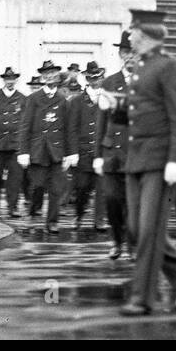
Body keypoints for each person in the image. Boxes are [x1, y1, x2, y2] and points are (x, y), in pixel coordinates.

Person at [115, 9, 176, 315]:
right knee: (138, 228)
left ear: (148, 34)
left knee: (149, 229)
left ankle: (142, 297)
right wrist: (114, 107)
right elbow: (136, 111)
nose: (131, 38)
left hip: (159, 161)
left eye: (134, 33)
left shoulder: (169, 67)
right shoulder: (142, 67)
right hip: (136, 159)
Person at [19, 60, 74, 233]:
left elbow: (68, 129)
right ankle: (34, 212)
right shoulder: (33, 99)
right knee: (37, 185)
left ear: (57, 76)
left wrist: (70, 154)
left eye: (53, 73)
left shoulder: (63, 100)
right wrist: (23, 152)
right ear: (43, 76)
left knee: (56, 188)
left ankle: (52, 221)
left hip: (57, 151)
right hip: (38, 150)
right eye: (46, 73)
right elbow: (25, 126)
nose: (50, 76)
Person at [97, 33, 136, 259]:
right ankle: (115, 239)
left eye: (134, 52)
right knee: (111, 199)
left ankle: (131, 244)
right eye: (126, 52)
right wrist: (97, 155)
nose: (130, 56)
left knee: (132, 202)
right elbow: (101, 120)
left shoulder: (145, 81)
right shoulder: (110, 82)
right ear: (120, 55)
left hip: (135, 151)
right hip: (112, 152)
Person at [66, 62, 104, 229]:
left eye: (97, 77)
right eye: (91, 78)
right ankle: (79, 214)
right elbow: (71, 128)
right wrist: (72, 152)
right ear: (86, 79)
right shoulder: (77, 101)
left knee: (102, 188)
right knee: (82, 187)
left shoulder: (108, 99)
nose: (94, 81)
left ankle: (99, 219)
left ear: (101, 78)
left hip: (102, 151)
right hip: (83, 152)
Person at [0, 67, 25, 217]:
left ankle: (12, 207)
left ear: (16, 80)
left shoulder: (22, 98)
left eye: (13, 79)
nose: (10, 81)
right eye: (8, 79)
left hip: (15, 145)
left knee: (15, 177)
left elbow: (24, 123)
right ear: (3, 80)